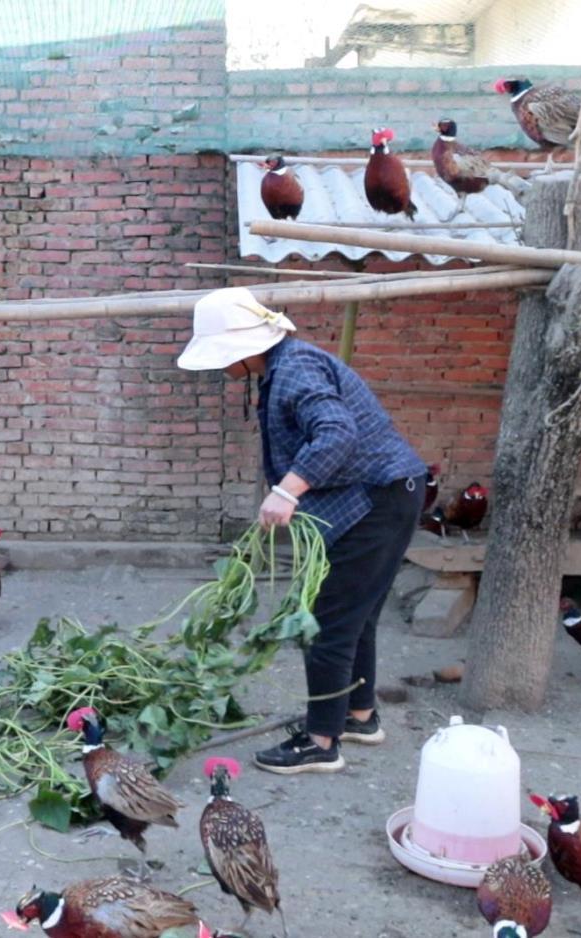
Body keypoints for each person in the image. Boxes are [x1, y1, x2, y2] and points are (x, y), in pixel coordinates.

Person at [178, 287, 426, 775]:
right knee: (357, 617)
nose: (218, 369)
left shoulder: (295, 369)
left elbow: (337, 433)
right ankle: (358, 716)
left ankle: (321, 741)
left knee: (327, 622)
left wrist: (287, 491)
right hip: (388, 493)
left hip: (376, 501)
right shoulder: (284, 365)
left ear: (244, 348)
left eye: (219, 357)